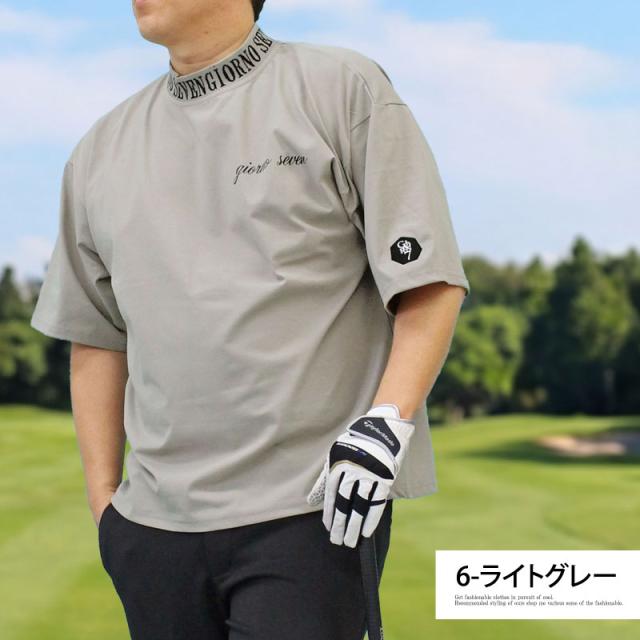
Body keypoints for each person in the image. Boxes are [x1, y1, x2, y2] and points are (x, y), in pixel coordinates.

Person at [30, 0, 471, 638]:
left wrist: (386, 424)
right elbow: (95, 337)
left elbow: (427, 282)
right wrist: (108, 511)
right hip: (153, 534)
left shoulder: (341, 90)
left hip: (311, 514)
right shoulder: (98, 151)